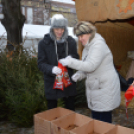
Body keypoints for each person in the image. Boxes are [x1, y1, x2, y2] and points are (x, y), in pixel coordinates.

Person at [59, 21, 121, 123]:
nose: (80, 39)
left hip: (105, 87)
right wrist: (78, 75)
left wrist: (70, 62)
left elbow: (91, 66)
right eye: (78, 36)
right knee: (96, 118)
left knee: (104, 120)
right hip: (96, 87)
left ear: (89, 33)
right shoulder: (87, 48)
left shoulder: (98, 45)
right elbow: (86, 67)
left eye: (81, 35)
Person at [37, 14, 79, 111]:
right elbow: (41, 63)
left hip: (68, 81)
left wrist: (71, 59)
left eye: (62, 29)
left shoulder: (71, 41)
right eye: (57, 29)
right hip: (52, 82)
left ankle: (70, 125)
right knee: (52, 109)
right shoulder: (43, 43)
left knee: (70, 106)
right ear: (52, 28)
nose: (60, 31)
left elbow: (76, 56)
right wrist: (51, 69)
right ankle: (53, 125)